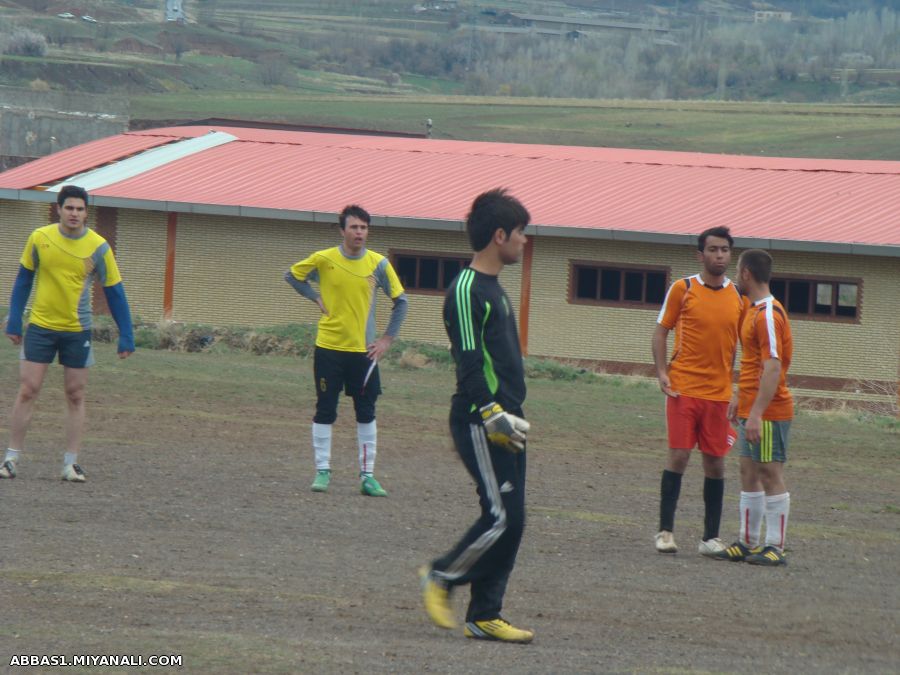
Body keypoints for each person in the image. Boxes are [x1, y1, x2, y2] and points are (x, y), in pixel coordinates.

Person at [419, 188, 534, 644]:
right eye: (521, 232)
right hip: (480, 418)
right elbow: (468, 360)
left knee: (513, 518)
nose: (526, 240)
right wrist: (491, 414)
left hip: (508, 417)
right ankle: (442, 575)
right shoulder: (467, 289)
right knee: (501, 516)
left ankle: (485, 614)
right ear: (499, 235)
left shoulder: (495, 287)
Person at [2, 185, 134, 483]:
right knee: (28, 390)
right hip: (40, 326)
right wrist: (13, 319)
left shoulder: (98, 247)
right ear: (58, 209)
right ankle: (11, 459)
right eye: (69, 208)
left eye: (80, 209)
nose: (75, 213)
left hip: (77, 330)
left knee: (75, 394)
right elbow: (24, 279)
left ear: (87, 212)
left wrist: (126, 333)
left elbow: (115, 292)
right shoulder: (40, 238)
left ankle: (70, 464)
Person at [285, 204, 408, 496]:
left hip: (364, 353)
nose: (359, 233)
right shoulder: (324, 259)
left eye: (364, 228)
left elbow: (401, 301)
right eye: (354, 227)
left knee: (366, 412)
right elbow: (291, 276)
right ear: (342, 231)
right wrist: (314, 297)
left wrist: (387, 339)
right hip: (328, 348)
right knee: (325, 409)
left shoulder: (378, 264)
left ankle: (368, 477)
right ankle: (322, 471)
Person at [652, 226, 744, 556]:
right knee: (678, 456)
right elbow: (661, 332)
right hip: (683, 389)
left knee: (716, 464)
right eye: (713, 250)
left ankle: (710, 538)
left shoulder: (739, 296)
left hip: (718, 395)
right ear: (700, 254)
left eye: (725, 250)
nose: (719, 255)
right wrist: (663, 372)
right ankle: (665, 531)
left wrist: (737, 389)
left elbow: (741, 347)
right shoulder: (683, 288)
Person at [714, 249, 793, 566]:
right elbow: (750, 364)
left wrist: (758, 413)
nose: (735, 276)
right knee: (748, 471)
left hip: (770, 412)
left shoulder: (768, 314)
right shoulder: (752, 309)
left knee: (769, 472)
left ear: (746, 273)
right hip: (751, 407)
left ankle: (776, 546)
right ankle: (748, 542)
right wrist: (740, 398)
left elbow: (772, 368)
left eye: (737, 270)